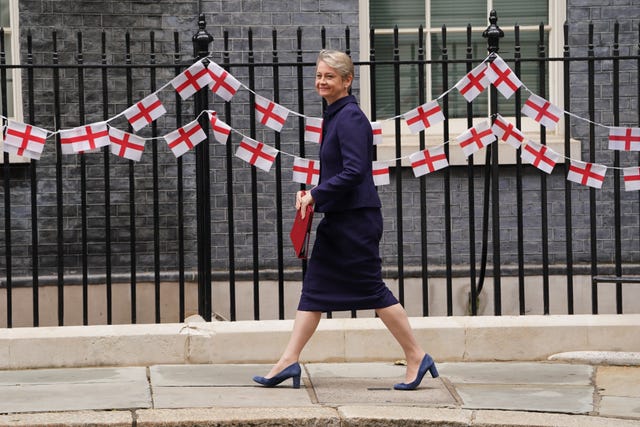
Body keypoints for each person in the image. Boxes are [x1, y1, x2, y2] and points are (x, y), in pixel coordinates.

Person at [253, 49, 438, 391]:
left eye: (329, 76)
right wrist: (312, 190)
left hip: (356, 222)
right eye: (319, 75)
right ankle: (288, 361)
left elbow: (355, 171)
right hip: (340, 219)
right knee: (314, 290)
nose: (321, 81)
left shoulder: (350, 117)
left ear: (347, 80)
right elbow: (340, 170)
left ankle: (416, 356)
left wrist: (317, 195)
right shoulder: (334, 115)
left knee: (372, 289)